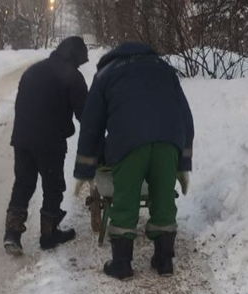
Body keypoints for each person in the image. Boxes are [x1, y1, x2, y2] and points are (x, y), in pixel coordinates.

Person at [73, 42, 194, 280]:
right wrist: (182, 164)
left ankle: (122, 263)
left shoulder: (106, 74)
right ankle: (164, 260)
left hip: (128, 141)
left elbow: (91, 126)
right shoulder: (164, 68)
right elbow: (185, 116)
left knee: (125, 200)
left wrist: (85, 170)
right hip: (168, 139)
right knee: (163, 197)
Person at [3, 36, 89, 256]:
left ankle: (12, 234)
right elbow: (86, 115)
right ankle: (49, 235)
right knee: (53, 186)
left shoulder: (33, 71)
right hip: (49, 142)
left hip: (22, 139)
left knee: (23, 183)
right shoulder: (72, 76)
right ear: (76, 56)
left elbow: (23, 106)